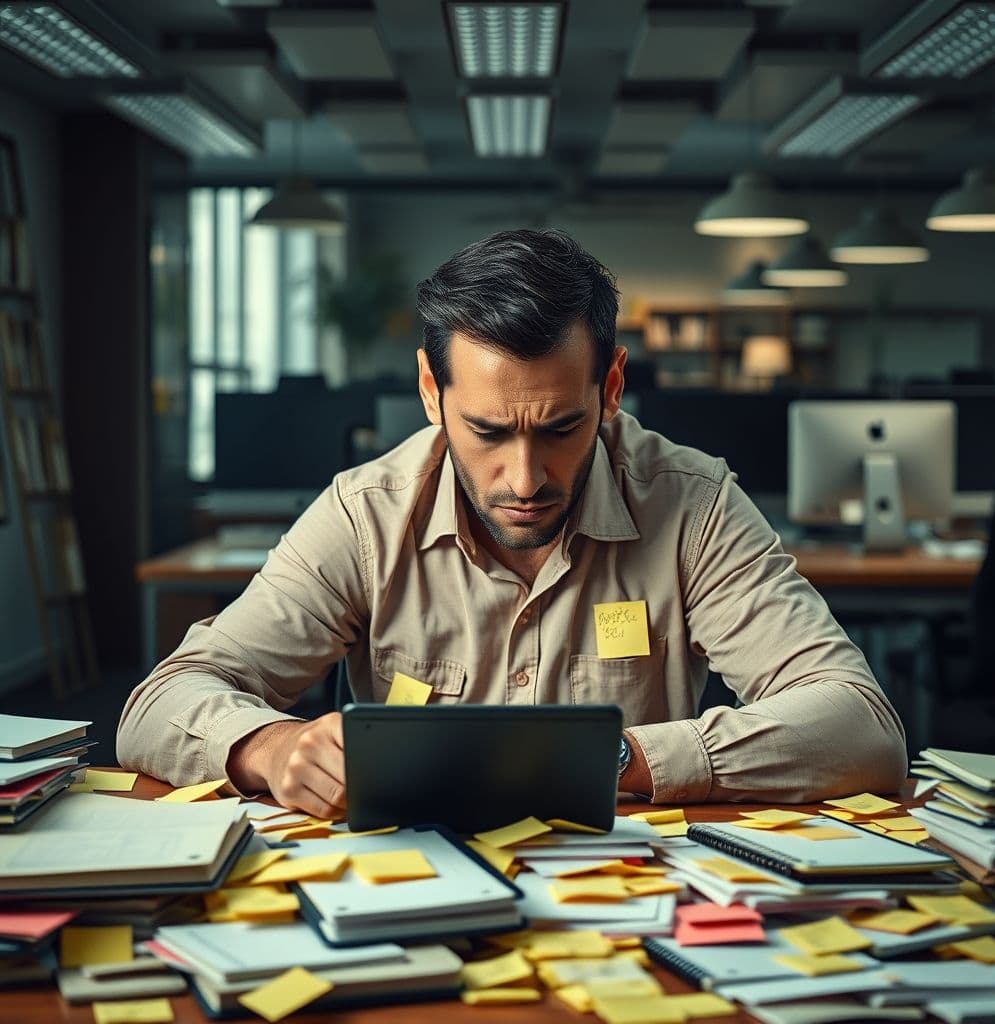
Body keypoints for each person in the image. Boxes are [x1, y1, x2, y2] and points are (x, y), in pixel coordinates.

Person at [117, 229, 908, 818]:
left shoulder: (692, 503)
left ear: (612, 388)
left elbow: (862, 726)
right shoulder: (364, 513)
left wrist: (624, 759)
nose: (525, 479)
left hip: (635, 907)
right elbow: (160, 703)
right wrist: (271, 747)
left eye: (562, 428)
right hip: (407, 905)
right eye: (489, 432)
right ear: (432, 393)